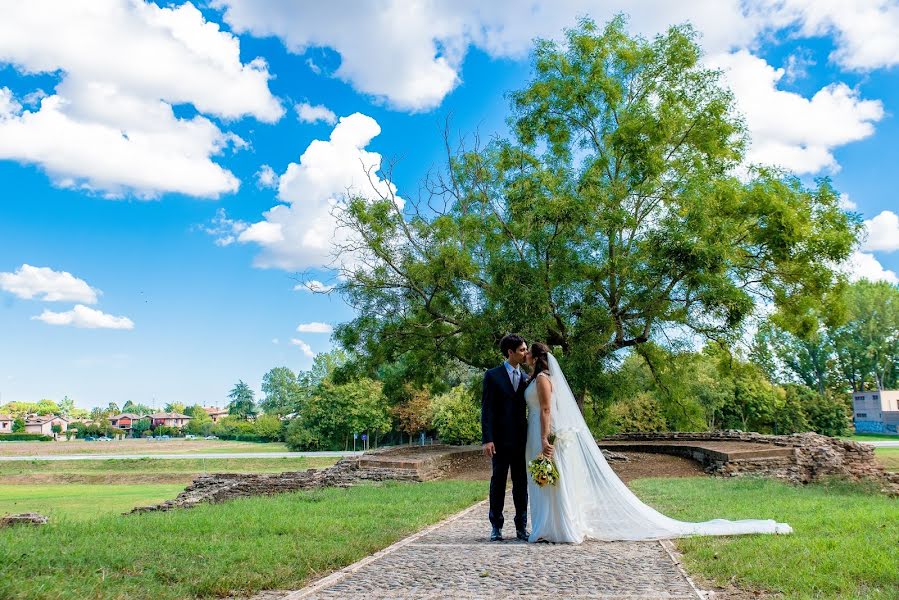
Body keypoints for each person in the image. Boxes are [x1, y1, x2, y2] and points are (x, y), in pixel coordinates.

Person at [523, 342, 793, 543]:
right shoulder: (534, 379)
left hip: (543, 432)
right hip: (534, 431)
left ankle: (560, 528)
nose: (525, 357)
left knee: (554, 479)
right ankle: (547, 527)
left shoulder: (544, 380)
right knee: (546, 480)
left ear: (537, 358)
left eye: (528, 353)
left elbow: (547, 410)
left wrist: (546, 438)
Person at [481, 333, 530, 542]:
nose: (525, 353)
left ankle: (521, 526)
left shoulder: (528, 377)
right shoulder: (492, 375)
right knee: (498, 483)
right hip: (499, 441)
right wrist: (487, 438)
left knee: (521, 484)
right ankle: (496, 527)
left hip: (521, 440)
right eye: (522, 350)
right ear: (510, 352)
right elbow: (486, 409)